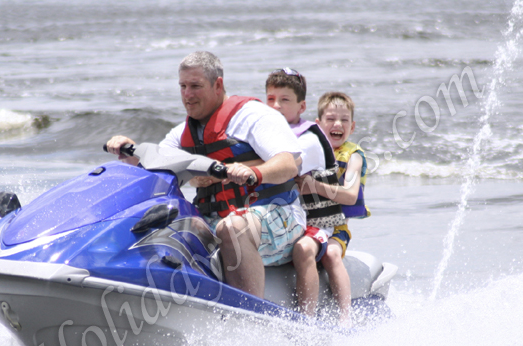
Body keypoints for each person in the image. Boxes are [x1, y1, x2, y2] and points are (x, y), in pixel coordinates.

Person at [106, 52, 306, 299]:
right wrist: (132, 153)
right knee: (162, 227)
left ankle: (249, 317)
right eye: (183, 86)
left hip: (278, 215)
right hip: (217, 218)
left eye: (195, 86)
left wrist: (254, 172)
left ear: (218, 85)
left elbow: (289, 164)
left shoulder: (254, 116)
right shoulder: (182, 133)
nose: (187, 95)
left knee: (233, 227)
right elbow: (157, 163)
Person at [288, 89, 369, 324]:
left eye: (344, 120)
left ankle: (345, 316)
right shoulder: (307, 149)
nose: (337, 124)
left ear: (352, 127)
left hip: (336, 228)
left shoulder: (353, 157)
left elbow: (350, 196)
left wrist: (314, 185)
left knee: (332, 254)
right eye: (331, 119)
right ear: (317, 124)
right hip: (302, 222)